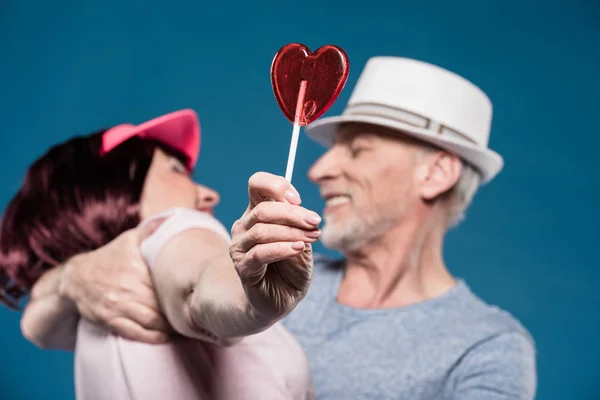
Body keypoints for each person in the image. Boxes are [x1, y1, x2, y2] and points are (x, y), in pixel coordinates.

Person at [18, 56, 537, 399]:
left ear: (437, 172)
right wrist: (72, 276)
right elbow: (200, 287)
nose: (318, 169)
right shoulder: (268, 264)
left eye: (355, 148)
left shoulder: (487, 347)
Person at [0, 109, 319, 399]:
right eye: (177, 170)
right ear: (113, 189)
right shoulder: (170, 226)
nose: (210, 194)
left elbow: (38, 326)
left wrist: (65, 280)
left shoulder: (100, 298)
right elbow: (201, 284)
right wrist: (249, 299)